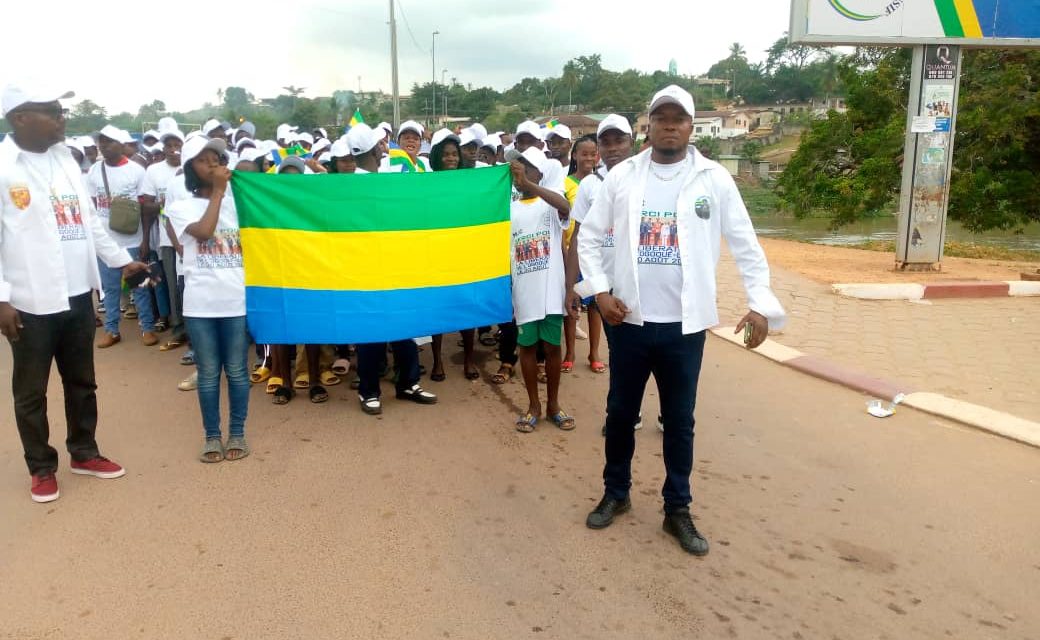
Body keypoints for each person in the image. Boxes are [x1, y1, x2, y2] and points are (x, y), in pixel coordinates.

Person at [576, 85, 786, 555]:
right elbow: (590, 237)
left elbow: (745, 243)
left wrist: (760, 303)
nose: (670, 126)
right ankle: (616, 494)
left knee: (680, 420)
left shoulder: (713, 179)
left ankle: (677, 509)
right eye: (661, 118)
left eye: (679, 119)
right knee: (619, 414)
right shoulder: (623, 177)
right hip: (628, 321)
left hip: (685, 326)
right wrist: (600, 292)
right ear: (647, 125)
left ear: (691, 127)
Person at [0, 84, 150, 502]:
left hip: (78, 295)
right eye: (51, 111)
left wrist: (122, 261)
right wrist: (1, 298)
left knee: (82, 381)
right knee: (30, 390)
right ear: (20, 118)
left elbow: (91, 225)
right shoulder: (3, 166)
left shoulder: (67, 161)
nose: (62, 118)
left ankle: (84, 451)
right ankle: (41, 466)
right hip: (30, 301)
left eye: (61, 110)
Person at [165, 135, 249, 463]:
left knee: (238, 372)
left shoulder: (240, 202)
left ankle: (238, 431)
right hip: (201, 304)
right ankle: (212, 436)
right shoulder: (180, 205)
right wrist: (217, 192)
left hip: (236, 300)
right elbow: (203, 232)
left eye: (215, 157)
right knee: (210, 371)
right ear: (189, 169)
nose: (212, 163)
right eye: (203, 159)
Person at [347, 124, 437, 415]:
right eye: (381, 143)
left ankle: (408, 383)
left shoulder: (385, 175)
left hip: (396, 263)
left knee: (404, 325)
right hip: (367, 268)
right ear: (375, 149)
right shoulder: (353, 184)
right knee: (371, 330)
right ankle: (369, 390)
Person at [509, 147, 574, 433]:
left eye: (524, 166)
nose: (518, 170)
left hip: (550, 293)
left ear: (537, 173)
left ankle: (553, 405)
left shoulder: (548, 205)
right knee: (527, 347)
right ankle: (534, 405)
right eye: (516, 166)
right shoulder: (507, 208)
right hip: (523, 290)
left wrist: (530, 186)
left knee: (551, 347)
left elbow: (566, 207)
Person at [86, 124, 159, 347]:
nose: (104, 145)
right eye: (102, 141)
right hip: (105, 241)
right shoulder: (94, 170)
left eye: (109, 141)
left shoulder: (137, 170)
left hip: (132, 238)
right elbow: (91, 205)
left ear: (121, 145)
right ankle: (112, 330)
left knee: (140, 286)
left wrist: (145, 239)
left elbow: (146, 207)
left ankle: (147, 328)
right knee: (110, 289)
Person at [427, 128, 480, 381]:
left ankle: (469, 360)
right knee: (437, 309)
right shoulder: (426, 185)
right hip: (436, 252)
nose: (451, 159)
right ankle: (437, 361)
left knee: (466, 307)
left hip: (463, 252)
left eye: (455, 154)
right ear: (437, 157)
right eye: (446, 154)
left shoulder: (468, 182)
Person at [141, 129, 185, 342]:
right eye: (169, 145)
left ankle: (194, 328)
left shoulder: (193, 170)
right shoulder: (153, 171)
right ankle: (178, 327)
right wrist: (162, 205)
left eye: (178, 144)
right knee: (172, 284)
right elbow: (146, 206)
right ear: (163, 148)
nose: (173, 149)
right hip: (167, 239)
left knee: (190, 283)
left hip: (193, 238)